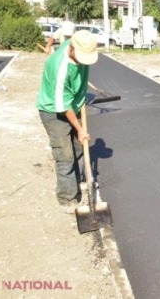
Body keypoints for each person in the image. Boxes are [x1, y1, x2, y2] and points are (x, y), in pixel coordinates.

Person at [36, 30, 99, 211]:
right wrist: (80, 129)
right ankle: (67, 198)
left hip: (73, 104)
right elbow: (63, 107)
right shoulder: (60, 68)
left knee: (79, 147)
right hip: (54, 111)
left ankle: (78, 180)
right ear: (71, 48)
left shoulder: (78, 43)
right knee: (65, 156)